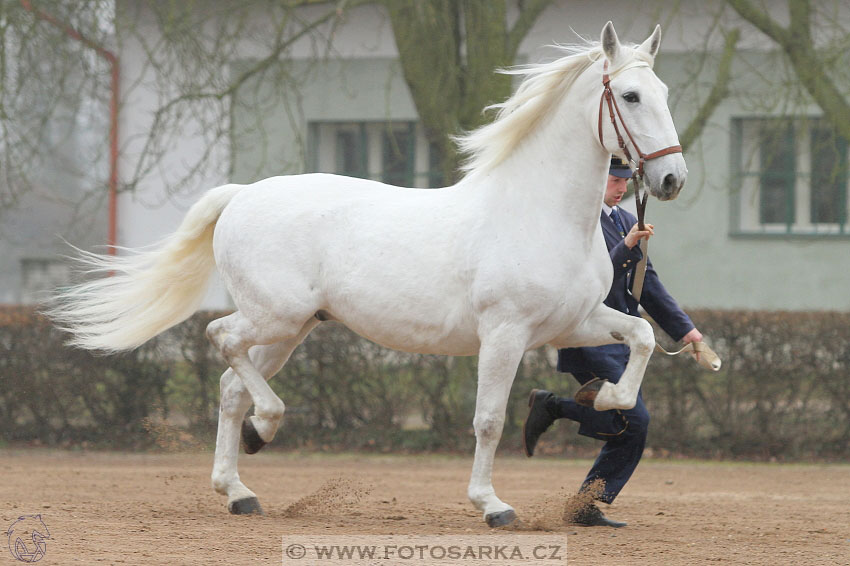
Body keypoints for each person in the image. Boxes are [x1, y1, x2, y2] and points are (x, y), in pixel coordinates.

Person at [523, 156, 703, 528]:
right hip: (586, 338)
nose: (622, 187)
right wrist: (624, 247)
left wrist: (687, 331)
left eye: (625, 181)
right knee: (635, 420)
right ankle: (554, 411)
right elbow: (587, 281)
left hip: (620, 342)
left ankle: (584, 499)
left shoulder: (624, 220)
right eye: (614, 179)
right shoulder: (578, 224)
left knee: (632, 427)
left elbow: (646, 284)